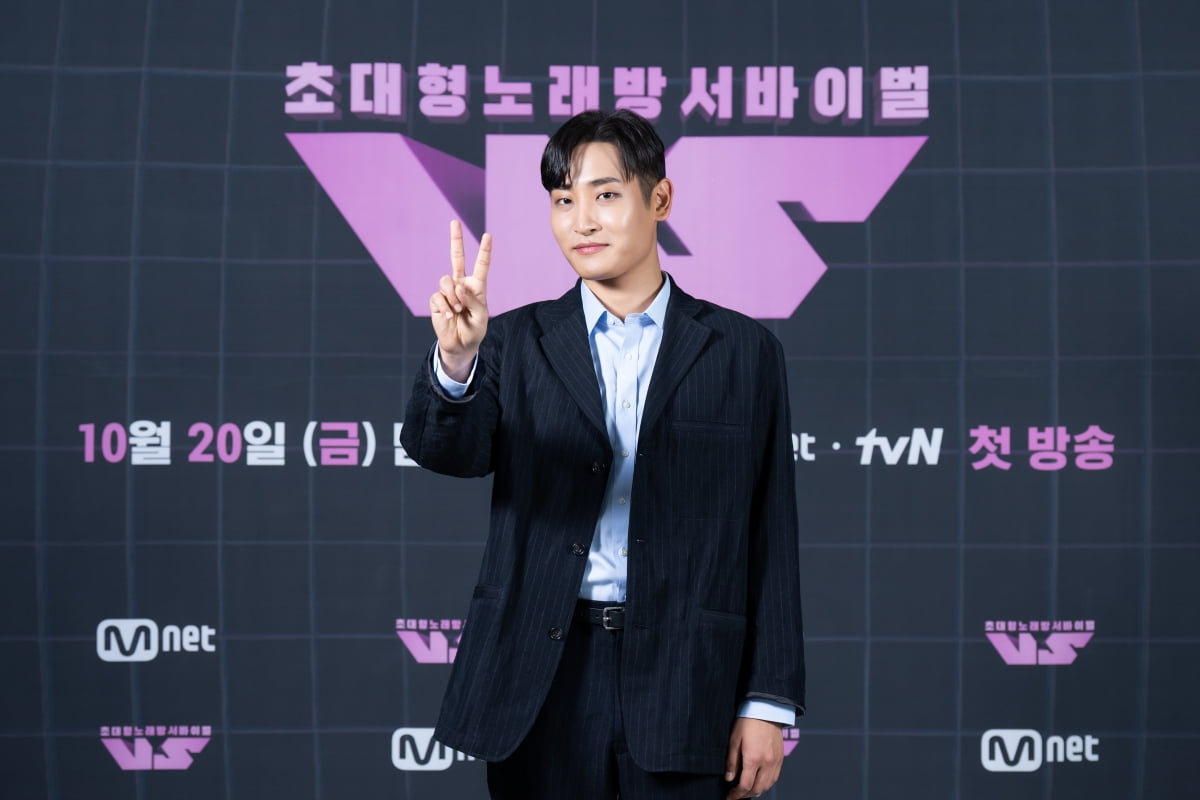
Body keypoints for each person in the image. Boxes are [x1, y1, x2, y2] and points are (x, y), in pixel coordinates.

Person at [401, 109, 804, 800]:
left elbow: (771, 533)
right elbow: (446, 451)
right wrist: (457, 358)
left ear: (660, 199)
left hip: (687, 677)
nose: (581, 221)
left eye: (605, 194)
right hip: (540, 677)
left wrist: (766, 701)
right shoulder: (513, 342)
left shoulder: (744, 353)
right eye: (563, 201)